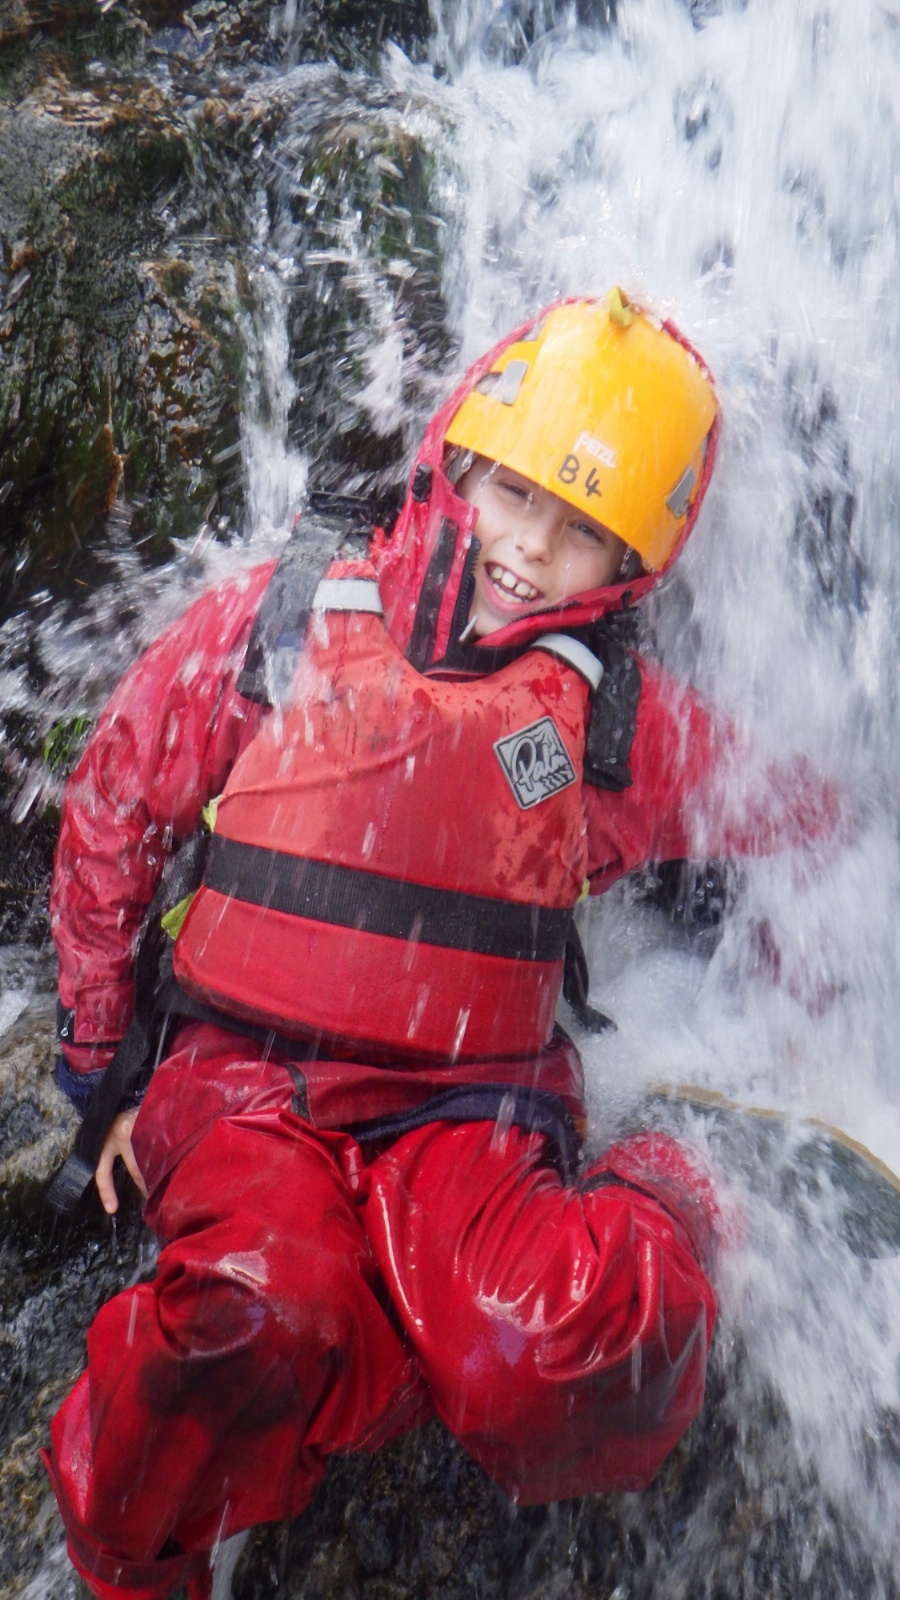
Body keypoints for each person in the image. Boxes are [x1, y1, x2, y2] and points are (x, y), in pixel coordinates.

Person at [43, 291, 841, 1600]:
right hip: (246, 1085)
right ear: (457, 461)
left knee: (555, 1352)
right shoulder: (284, 617)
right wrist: (99, 1067)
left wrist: (812, 990)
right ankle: (216, 1493)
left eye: (582, 531)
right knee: (254, 1311)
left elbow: (806, 813)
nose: (531, 547)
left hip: (470, 1114)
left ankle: (672, 1188)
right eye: (516, 493)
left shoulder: (616, 727)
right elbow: (118, 802)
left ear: (630, 567)